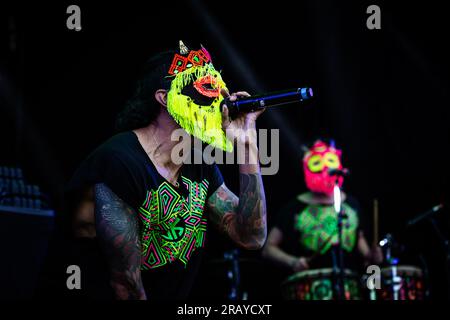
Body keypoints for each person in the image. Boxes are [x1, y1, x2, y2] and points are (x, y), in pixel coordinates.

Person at [64, 41, 267, 300]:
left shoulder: (199, 164)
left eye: (222, 89)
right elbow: (125, 283)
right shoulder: (119, 163)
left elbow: (251, 237)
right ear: (165, 98)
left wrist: (247, 144)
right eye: (208, 87)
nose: (222, 98)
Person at [262, 139, 382, 298]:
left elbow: (361, 246)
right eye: (317, 163)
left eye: (330, 161)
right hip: (310, 288)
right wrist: (292, 262)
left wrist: (372, 257)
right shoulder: (293, 208)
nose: (326, 168)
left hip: (349, 287)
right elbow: (268, 248)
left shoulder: (351, 204)